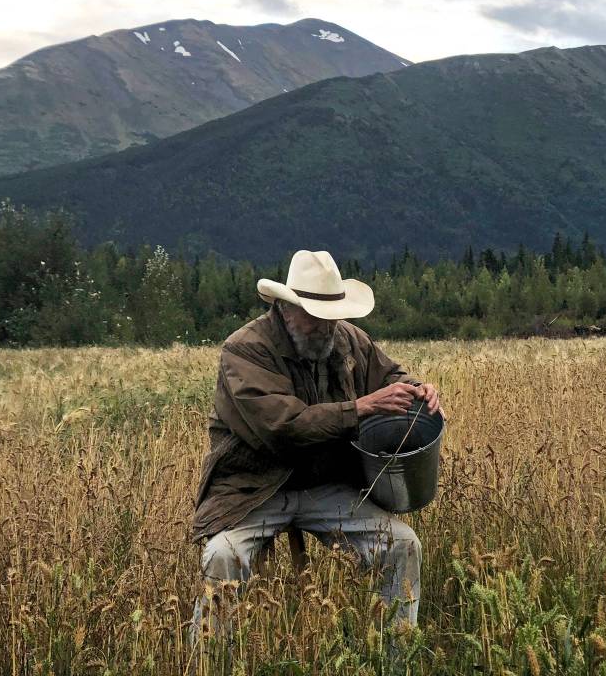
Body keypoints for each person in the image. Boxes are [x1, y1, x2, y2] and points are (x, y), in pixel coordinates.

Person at [189, 249, 443, 657]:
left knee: (402, 545)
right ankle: (210, 664)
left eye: (332, 316)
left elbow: (389, 374)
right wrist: (360, 408)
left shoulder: (347, 339)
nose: (325, 326)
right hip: (257, 487)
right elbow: (284, 428)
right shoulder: (246, 350)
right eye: (314, 315)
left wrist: (416, 389)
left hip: (326, 484)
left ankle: (396, 661)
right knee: (222, 557)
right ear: (286, 308)